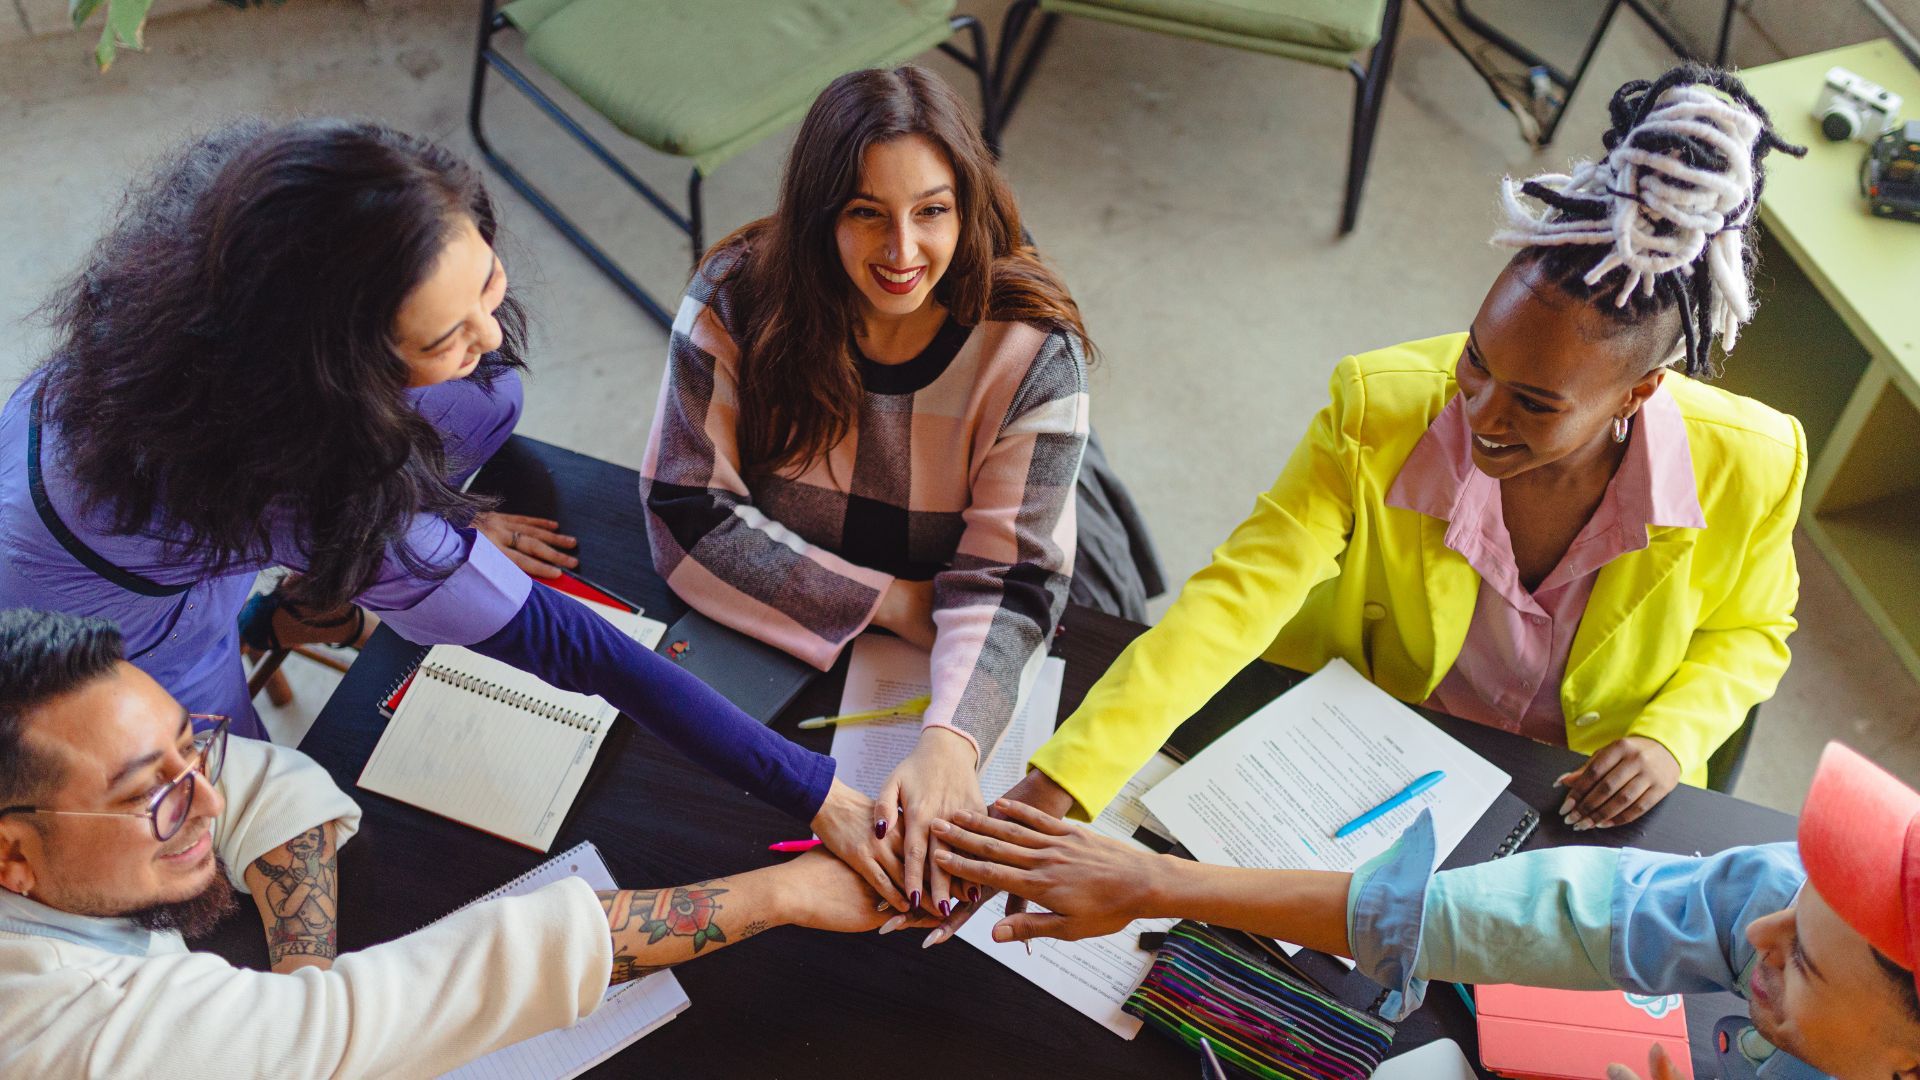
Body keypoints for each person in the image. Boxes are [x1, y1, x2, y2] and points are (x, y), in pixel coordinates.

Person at [0, 118, 894, 903]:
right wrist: (820, 791)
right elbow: (576, 647)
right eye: (442, 334)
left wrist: (434, 526)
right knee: (234, 815)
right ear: (338, 375)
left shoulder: (229, 234)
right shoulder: (300, 478)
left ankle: (307, 599)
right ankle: (275, 632)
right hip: (113, 630)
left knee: (485, 395)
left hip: (120, 484)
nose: (490, 332)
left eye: (486, 281)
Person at [991, 65, 1809, 849]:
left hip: (1575, 803)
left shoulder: (1754, 466)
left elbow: (1752, 631)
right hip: (1367, 761)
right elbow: (1232, 601)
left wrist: (1671, 737)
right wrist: (1067, 779)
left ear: (1639, 394)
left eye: (1534, 403)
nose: (1479, 414)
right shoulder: (1375, 408)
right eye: (1477, 359)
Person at [641, 65, 1148, 920]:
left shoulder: (1033, 347)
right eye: (866, 212)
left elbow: (1013, 581)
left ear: (967, 206)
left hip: (979, 589)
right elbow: (684, 516)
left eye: (932, 211)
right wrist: (896, 602)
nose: (903, 251)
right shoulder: (735, 296)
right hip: (846, 619)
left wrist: (950, 744)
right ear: (818, 213)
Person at [0, 609, 924, 1076]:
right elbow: (417, 998)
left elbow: (264, 780)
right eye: (152, 794)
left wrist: (300, 984)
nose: (203, 797)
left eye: (189, 745)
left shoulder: (61, 836)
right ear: (12, 858)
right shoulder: (72, 1037)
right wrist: (785, 894)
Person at [928, 738, 1920, 1080]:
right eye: (1796, 905)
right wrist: (1160, 884)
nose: (1757, 934)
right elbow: (1565, 913)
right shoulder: (1788, 901)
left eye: (1803, 960)